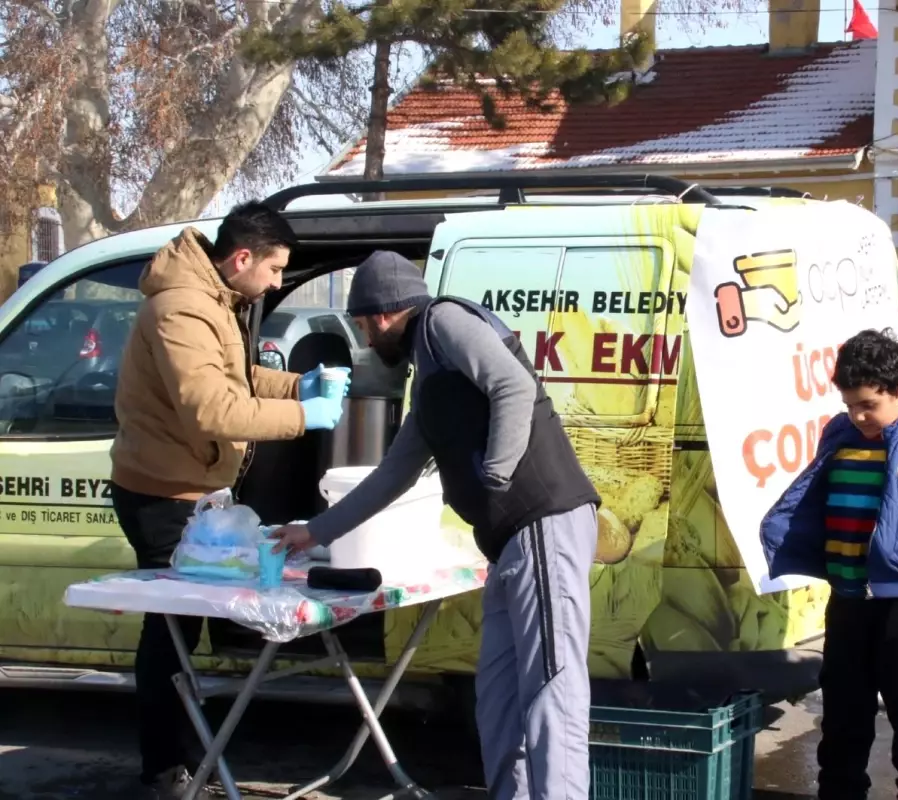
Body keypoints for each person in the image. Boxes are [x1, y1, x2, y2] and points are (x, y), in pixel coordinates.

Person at [271, 250, 601, 800]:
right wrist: (316, 530)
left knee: (551, 688)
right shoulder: (429, 378)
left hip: (543, 523)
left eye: (360, 324)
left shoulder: (444, 322)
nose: (364, 338)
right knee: (499, 696)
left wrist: (494, 477)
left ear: (381, 314)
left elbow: (513, 387)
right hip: (509, 540)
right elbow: (393, 475)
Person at [110, 202, 346, 799]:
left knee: (181, 634)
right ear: (241, 259)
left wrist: (299, 383)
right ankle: (165, 770)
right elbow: (212, 408)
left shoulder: (215, 300)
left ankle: (180, 761)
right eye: (273, 270)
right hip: (164, 494)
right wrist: (304, 415)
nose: (275, 283)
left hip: (195, 489)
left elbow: (235, 379)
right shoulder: (182, 307)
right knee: (173, 635)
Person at [759, 328, 898, 800]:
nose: (858, 416)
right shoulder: (840, 434)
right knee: (841, 728)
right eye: (850, 404)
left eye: (868, 405)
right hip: (848, 602)